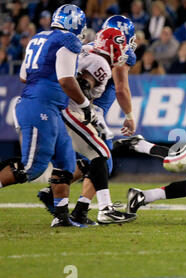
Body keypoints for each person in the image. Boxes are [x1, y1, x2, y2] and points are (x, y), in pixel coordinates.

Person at [37, 15, 138, 225]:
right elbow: (120, 88)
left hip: (66, 107)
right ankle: (89, 210)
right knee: (103, 158)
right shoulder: (108, 55)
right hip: (85, 111)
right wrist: (128, 115)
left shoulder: (89, 48)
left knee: (85, 161)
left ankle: (61, 201)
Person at [0, 4, 89, 227]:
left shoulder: (39, 37)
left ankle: (61, 216)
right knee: (33, 167)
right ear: (75, 23)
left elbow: (23, 76)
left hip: (46, 106)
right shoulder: (68, 40)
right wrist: (84, 104)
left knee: (66, 162)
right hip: (40, 106)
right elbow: (66, 80)